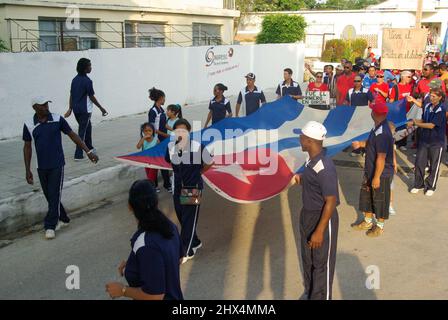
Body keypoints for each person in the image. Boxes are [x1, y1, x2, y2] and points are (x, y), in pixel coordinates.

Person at [23, 97, 99, 240]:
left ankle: (50, 225)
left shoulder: (57, 119)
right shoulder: (29, 124)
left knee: (54, 194)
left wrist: (88, 151)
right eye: (42, 105)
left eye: (47, 104)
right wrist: (27, 170)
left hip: (57, 164)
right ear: (35, 108)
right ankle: (63, 219)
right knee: (50, 195)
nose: (46, 107)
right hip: (41, 166)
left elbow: (73, 135)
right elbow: (27, 147)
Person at [105, 180, 183, 300]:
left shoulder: (147, 244)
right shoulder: (169, 226)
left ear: (130, 207)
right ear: (156, 203)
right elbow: (176, 258)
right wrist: (136, 262)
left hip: (189, 193)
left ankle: (194, 242)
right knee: (189, 217)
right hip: (188, 192)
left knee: (189, 219)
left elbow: (156, 296)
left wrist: (123, 290)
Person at [292, 121, 339, 300]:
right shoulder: (311, 161)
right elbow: (315, 182)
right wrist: (302, 178)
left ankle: (321, 296)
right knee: (308, 259)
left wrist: (319, 231)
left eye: (301, 137)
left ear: (310, 141)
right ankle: (311, 293)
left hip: (322, 219)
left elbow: (331, 200)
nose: (299, 139)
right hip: (308, 215)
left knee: (321, 265)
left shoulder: (325, 167)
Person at [165, 119, 213, 263]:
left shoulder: (198, 146)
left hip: (192, 188)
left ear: (189, 131)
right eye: (177, 131)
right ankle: (196, 241)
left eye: (183, 131)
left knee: (189, 219)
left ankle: (186, 250)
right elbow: (169, 161)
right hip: (177, 187)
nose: (180, 134)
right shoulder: (171, 146)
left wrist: (198, 174)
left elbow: (209, 163)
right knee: (181, 215)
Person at [351, 102, 394, 237]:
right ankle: (368, 221)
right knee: (367, 197)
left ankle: (379, 226)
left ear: (374, 114)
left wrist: (376, 177)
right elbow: (372, 143)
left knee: (380, 200)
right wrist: (361, 144)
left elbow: (381, 157)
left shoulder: (382, 132)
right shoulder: (377, 128)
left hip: (381, 173)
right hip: (371, 170)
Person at [65, 58, 108, 161]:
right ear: (85, 69)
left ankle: (90, 147)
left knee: (88, 128)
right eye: (89, 66)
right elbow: (92, 97)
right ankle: (78, 154)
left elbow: (71, 95)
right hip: (85, 110)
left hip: (76, 109)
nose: (91, 67)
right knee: (82, 132)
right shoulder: (87, 81)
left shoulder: (74, 80)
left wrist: (70, 108)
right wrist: (101, 108)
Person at [408, 88, 446, 196]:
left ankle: (431, 186)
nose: (431, 97)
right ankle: (418, 184)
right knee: (419, 162)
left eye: (434, 96)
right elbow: (424, 120)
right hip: (424, 140)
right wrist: (414, 121)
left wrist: (416, 124)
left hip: (436, 142)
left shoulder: (441, 110)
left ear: (439, 97)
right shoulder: (428, 106)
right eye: (430, 95)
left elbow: (431, 125)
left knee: (434, 165)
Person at [148, 87, 172, 192]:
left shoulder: (161, 109)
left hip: (163, 140)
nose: (165, 100)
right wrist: (159, 138)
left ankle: (167, 184)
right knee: (155, 164)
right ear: (160, 98)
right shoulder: (152, 111)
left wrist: (174, 130)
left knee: (165, 162)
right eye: (164, 98)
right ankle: (154, 185)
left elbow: (164, 124)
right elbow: (152, 129)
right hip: (156, 141)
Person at [390, 70, 414, 150]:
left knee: (405, 127)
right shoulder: (396, 87)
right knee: (396, 127)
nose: (410, 79)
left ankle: (402, 144)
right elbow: (391, 100)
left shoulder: (410, 87)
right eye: (409, 77)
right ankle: (394, 142)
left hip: (407, 110)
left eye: (410, 77)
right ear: (403, 77)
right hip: (398, 111)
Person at [136, 123, 160, 192]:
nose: (148, 132)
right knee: (149, 175)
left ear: (153, 131)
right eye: (145, 131)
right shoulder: (143, 140)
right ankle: (155, 187)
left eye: (149, 130)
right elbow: (138, 147)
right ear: (143, 132)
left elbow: (159, 150)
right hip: (146, 161)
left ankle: (149, 189)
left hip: (154, 162)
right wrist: (143, 138)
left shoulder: (156, 140)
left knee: (150, 177)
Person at [388, 122, 398, 216]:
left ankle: (390, 205)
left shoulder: (392, 139)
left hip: (389, 167)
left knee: (391, 187)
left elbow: (393, 151)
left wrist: (395, 163)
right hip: (382, 167)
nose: (394, 134)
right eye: (393, 132)